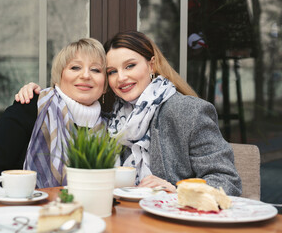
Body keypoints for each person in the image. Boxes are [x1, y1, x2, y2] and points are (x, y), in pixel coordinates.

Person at [16, 31, 242, 196]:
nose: (121, 78)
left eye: (130, 66)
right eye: (112, 71)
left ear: (151, 65)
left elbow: (227, 181)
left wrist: (176, 191)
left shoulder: (186, 111)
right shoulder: (111, 121)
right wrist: (38, 93)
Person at [0, 38, 107, 196]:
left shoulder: (111, 128)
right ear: (59, 76)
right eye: (75, 67)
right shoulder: (31, 107)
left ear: (105, 84)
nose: (86, 75)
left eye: (96, 70)